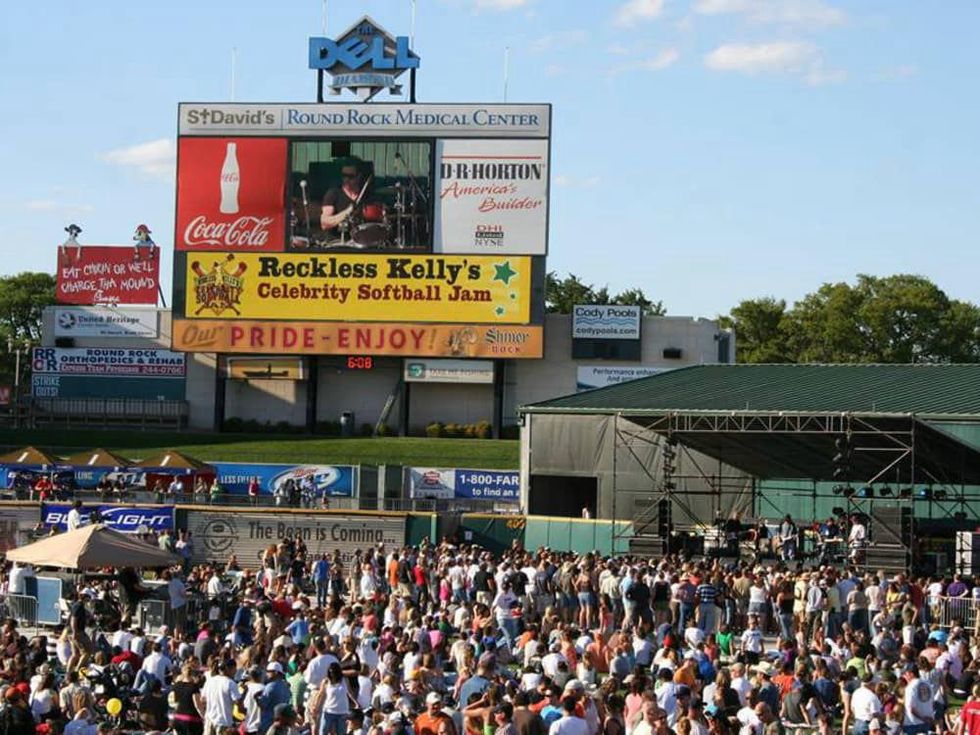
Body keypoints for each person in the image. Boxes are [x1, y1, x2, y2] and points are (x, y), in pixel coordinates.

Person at [201, 658, 242, 735]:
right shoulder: (230, 683)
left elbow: (203, 700)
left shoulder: (210, 681)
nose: (235, 671)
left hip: (209, 720)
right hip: (224, 722)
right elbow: (238, 702)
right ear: (229, 669)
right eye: (234, 669)